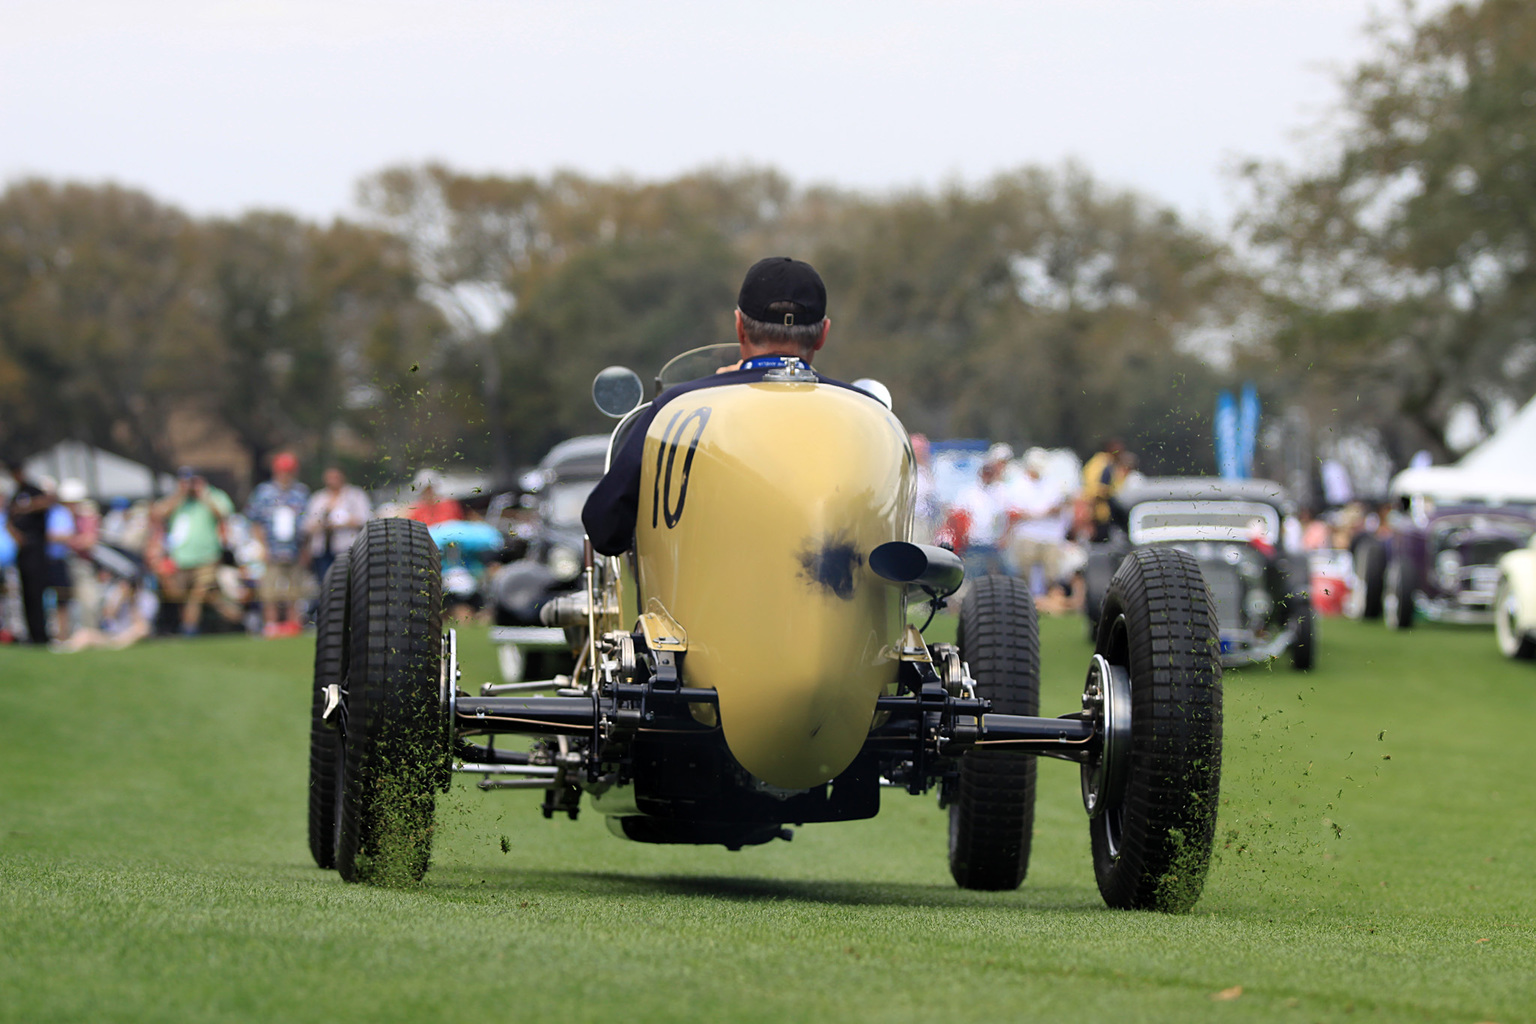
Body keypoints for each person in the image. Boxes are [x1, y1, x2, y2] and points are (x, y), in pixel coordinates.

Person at [582, 257, 877, 555]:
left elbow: (604, 528)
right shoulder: (867, 413)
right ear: (823, 334)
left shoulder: (676, 410)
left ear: (739, 327)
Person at [153, 467, 242, 636]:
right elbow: (158, 514)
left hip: (206, 557)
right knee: (185, 597)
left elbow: (223, 513)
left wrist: (203, 493)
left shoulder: (212, 495)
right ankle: (235, 619)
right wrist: (180, 494)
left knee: (198, 596)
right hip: (180, 559)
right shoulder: (178, 500)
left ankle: (189, 629)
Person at [245, 452, 311, 638]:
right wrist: (262, 546)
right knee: (270, 591)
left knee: (295, 591)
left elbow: (307, 523)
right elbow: (255, 521)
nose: (286, 475)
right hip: (271, 548)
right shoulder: (264, 492)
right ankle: (271, 625)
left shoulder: (301, 492)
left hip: (294, 549)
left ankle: (293, 625)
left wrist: (306, 548)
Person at [1003, 449, 1072, 596]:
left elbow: (1059, 507)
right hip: (1026, 535)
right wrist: (1040, 514)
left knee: (1052, 575)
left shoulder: (1052, 484)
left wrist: (1034, 514)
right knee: (1024, 573)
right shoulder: (1017, 485)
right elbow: (1013, 513)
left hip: (1050, 536)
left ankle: (1049, 603)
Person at [5, 461, 53, 644]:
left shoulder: (33, 490)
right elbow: (9, 520)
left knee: (38, 591)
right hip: (23, 550)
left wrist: (27, 507)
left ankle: (42, 635)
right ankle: (32, 634)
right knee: (26, 593)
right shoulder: (14, 494)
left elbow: (47, 502)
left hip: (37, 547)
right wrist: (16, 535)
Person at [303, 465, 372, 586]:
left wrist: (343, 522)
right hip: (322, 550)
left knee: (346, 583)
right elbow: (307, 524)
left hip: (346, 548)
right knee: (325, 583)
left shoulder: (355, 495)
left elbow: (366, 519)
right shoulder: (318, 498)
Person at [1081, 438, 1131, 543]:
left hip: (1102, 510)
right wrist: (1108, 492)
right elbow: (1093, 488)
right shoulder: (1102, 464)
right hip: (1099, 511)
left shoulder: (1107, 463)